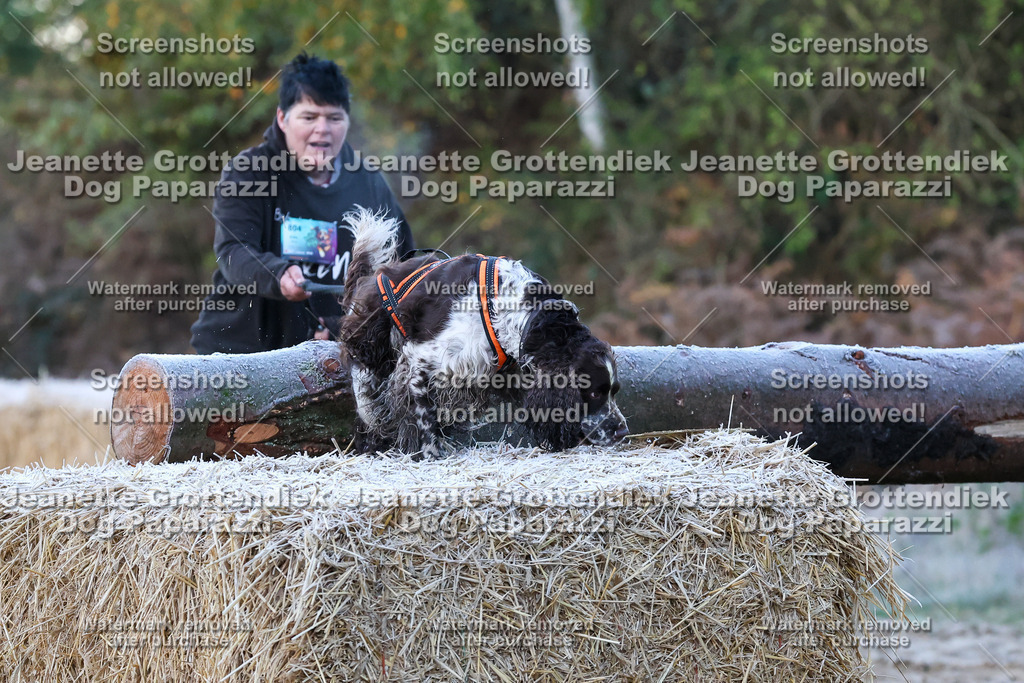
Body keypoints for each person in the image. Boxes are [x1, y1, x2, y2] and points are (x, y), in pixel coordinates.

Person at [190, 52, 414, 354]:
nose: (322, 129)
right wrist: (279, 274)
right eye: (309, 117)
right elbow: (233, 252)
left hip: (330, 357)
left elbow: (403, 270)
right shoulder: (250, 171)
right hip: (239, 351)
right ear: (283, 119)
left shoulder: (369, 183)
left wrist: (339, 327)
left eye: (334, 118)